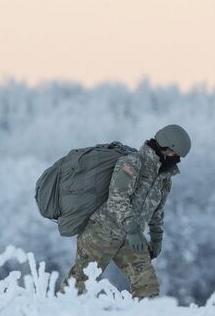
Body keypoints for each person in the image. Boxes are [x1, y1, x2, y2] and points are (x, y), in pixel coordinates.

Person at [61, 124, 191, 299]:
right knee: (79, 284)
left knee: (148, 285)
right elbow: (117, 198)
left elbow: (157, 212)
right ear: (166, 147)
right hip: (101, 233)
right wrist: (133, 230)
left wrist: (157, 237)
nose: (175, 159)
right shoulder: (132, 163)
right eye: (174, 154)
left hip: (131, 239)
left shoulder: (164, 179)